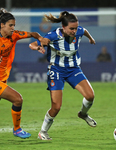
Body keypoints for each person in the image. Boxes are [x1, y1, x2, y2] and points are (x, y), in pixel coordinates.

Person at [0, 5, 49, 139]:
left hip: (1, 78)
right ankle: (17, 129)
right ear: (2, 25)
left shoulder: (14, 35)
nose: (13, 28)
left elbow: (32, 34)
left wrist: (40, 41)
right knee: (18, 99)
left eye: (14, 25)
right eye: (10, 25)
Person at [29, 11, 97, 140]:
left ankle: (83, 114)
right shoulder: (53, 36)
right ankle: (43, 132)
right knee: (56, 107)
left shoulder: (79, 31)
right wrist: (38, 48)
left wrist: (91, 38)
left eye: (76, 28)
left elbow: (84, 30)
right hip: (56, 71)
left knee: (90, 96)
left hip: (73, 69)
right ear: (63, 27)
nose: (74, 31)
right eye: (71, 29)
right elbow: (32, 44)